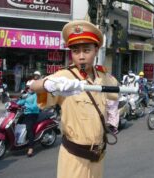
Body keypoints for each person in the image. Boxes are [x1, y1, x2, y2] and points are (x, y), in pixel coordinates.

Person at [30, 20, 119, 178]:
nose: (81, 56)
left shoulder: (103, 77)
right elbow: (34, 86)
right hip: (74, 159)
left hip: (98, 157)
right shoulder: (65, 77)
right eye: (76, 51)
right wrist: (47, 84)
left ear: (96, 50)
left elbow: (116, 92)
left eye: (87, 50)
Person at [16, 80, 39, 157]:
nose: (30, 89)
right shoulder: (27, 94)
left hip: (33, 114)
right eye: (28, 87)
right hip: (25, 114)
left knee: (29, 128)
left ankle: (31, 148)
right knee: (17, 125)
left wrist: (26, 106)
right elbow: (19, 103)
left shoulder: (36, 95)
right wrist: (20, 97)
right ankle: (19, 140)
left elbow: (35, 106)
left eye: (31, 87)